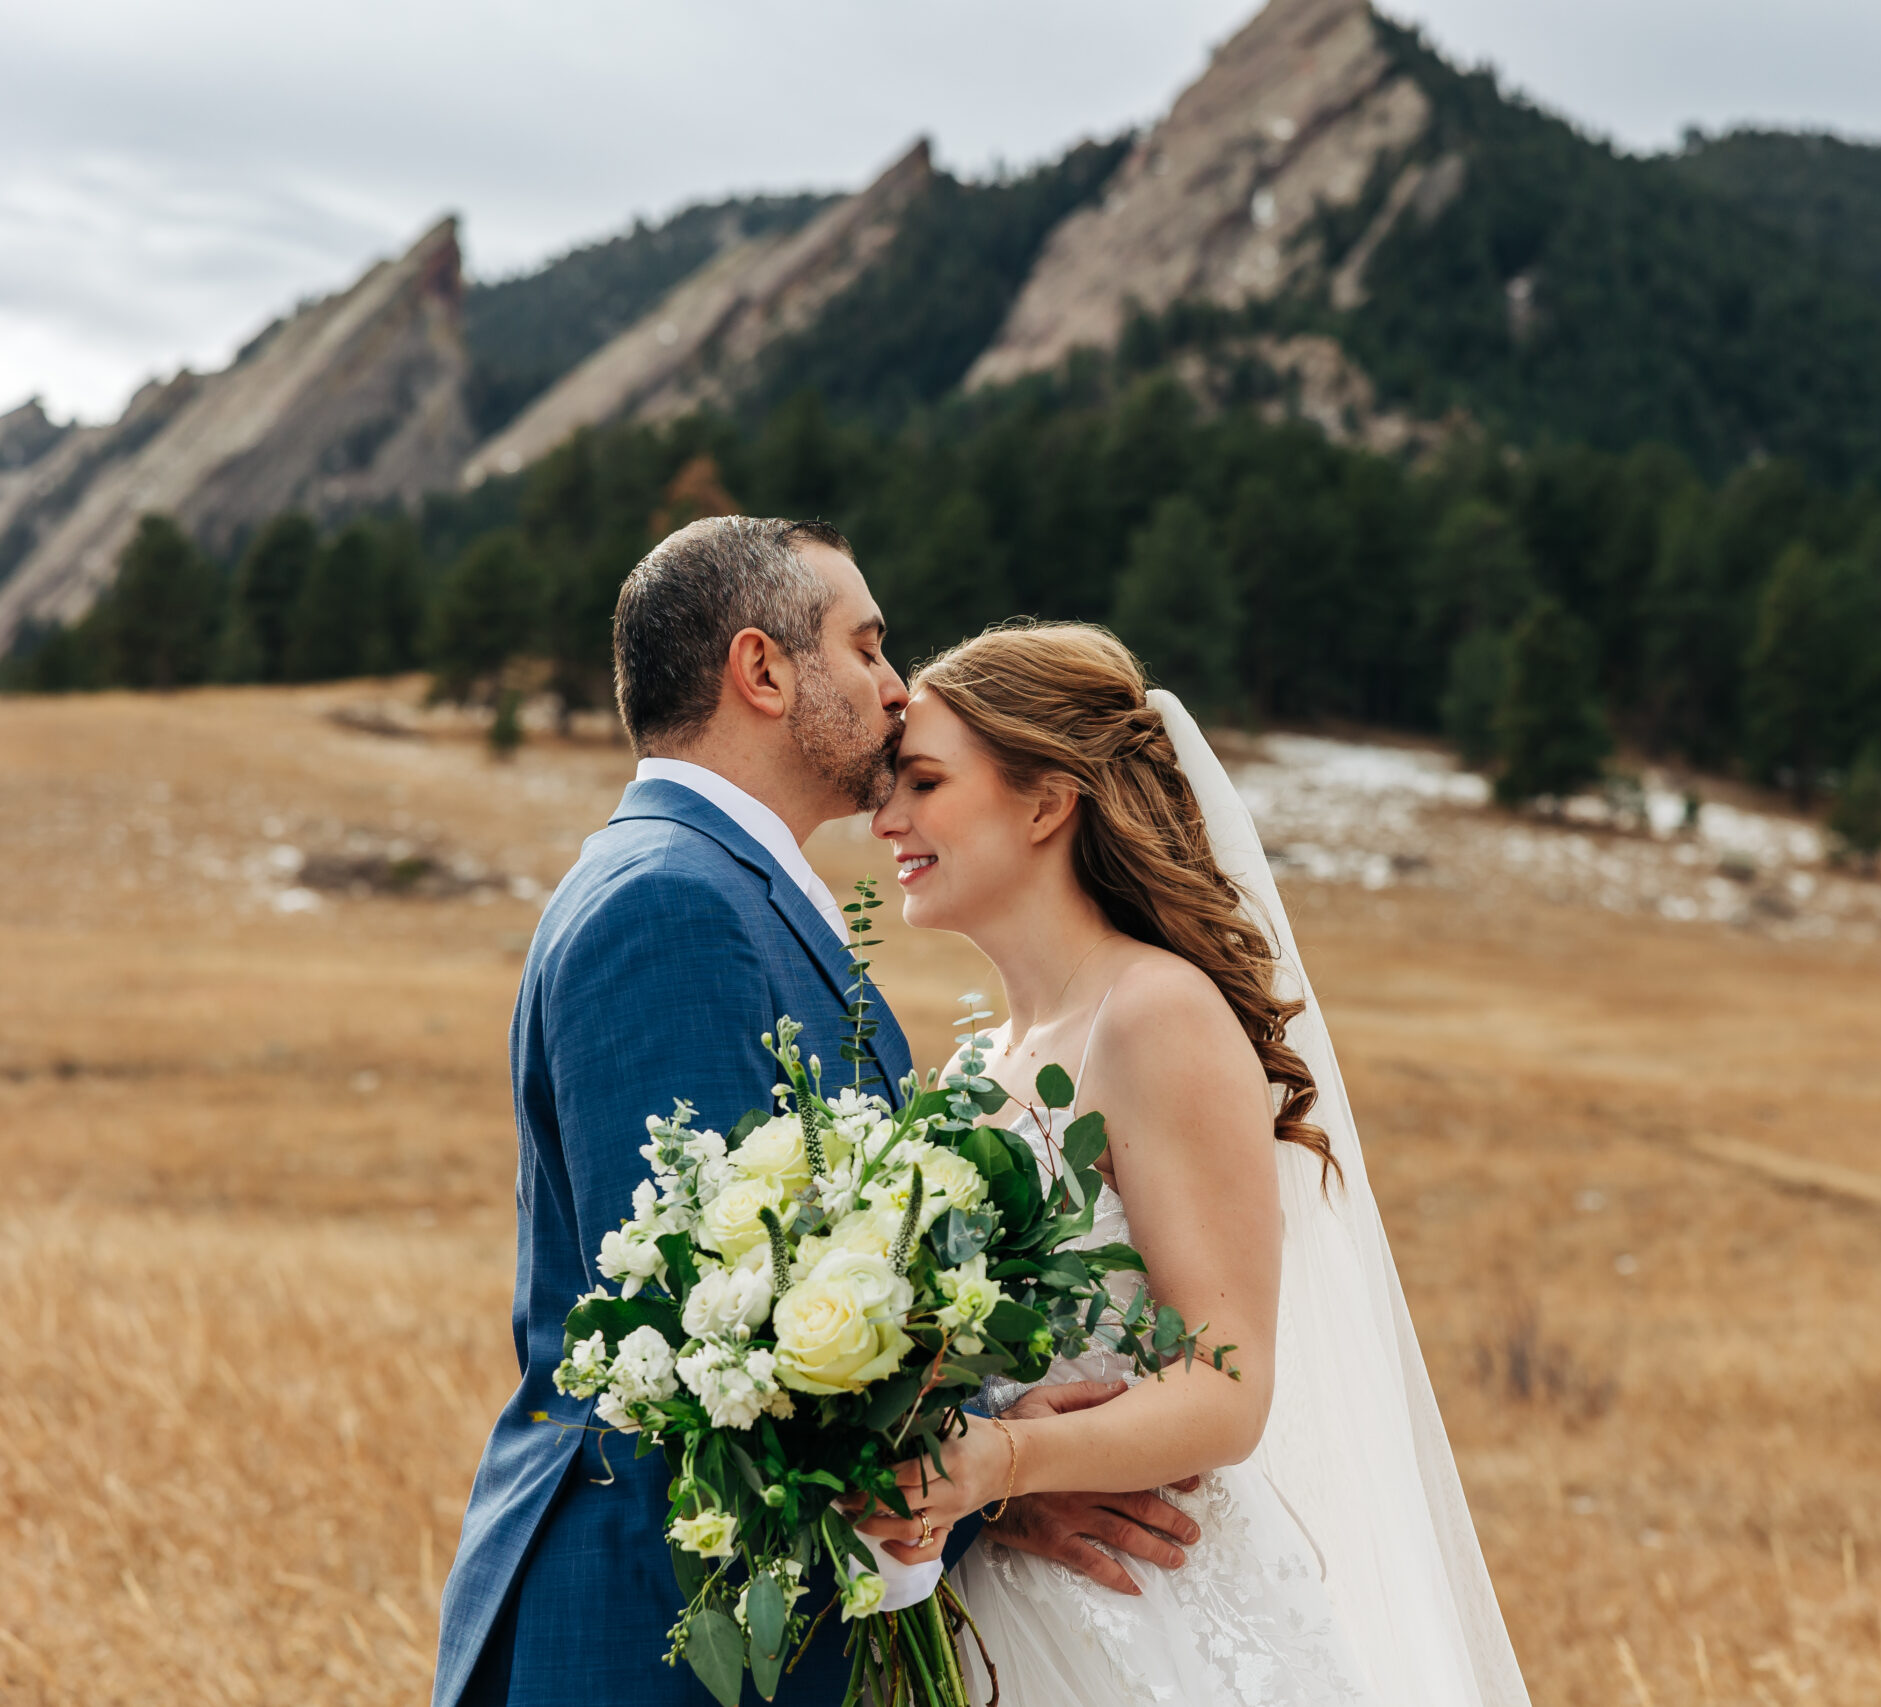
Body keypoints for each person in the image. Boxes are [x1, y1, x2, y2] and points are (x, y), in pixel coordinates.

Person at [432, 521, 1206, 1707]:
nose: (899, 691)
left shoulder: (712, 889)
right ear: (763, 671)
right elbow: (718, 1352)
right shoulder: (674, 907)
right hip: (658, 1641)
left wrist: (987, 1453)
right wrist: (988, 1481)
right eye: (867, 646)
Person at [864, 622, 1529, 1706]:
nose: (885, 818)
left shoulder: (1156, 1014)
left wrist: (1000, 1463)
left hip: (1141, 1609)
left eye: (924, 783)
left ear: (1045, 801)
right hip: (989, 1602)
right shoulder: (980, 1060)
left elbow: (1226, 1386)